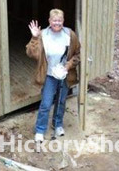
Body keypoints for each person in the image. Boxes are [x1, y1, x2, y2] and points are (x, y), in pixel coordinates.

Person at [26, 9, 81, 142]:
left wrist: (68, 65)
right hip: (49, 76)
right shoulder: (43, 35)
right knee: (46, 103)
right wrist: (34, 37)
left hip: (64, 75)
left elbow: (78, 54)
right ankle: (40, 130)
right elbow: (31, 53)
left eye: (59, 20)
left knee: (61, 102)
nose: (57, 23)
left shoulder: (69, 34)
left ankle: (57, 125)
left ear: (63, 21)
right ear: (50, 21)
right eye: (54, 20)